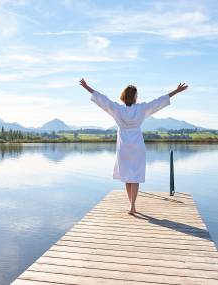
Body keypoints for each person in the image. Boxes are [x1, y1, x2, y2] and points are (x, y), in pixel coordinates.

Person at [80, 78, 188, 215]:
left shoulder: (117, 109)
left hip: (123, 147)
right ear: (135, 97)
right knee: (135, 176)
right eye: (136, 95)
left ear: (124, 96)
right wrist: (176, 91)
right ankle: (133, 205)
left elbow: (102, 100)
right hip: (137, 146)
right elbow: (158, 102)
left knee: (126, 175)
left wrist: (87, 87)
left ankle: (130, 205)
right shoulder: (142, 109)